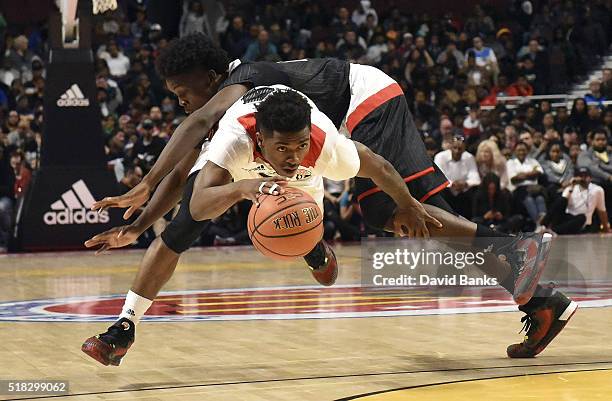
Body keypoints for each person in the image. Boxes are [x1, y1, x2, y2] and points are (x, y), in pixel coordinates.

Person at [82, 33, 571, 365]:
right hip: (332, 125)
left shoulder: (238, 83)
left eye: (181, 91)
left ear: (211, 78)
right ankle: (536, 294)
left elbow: (190, 128)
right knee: (393, 212)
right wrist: (144, 218)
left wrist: (145, 181)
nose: (179, 101)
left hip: (365, 99)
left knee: (389, 208)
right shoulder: (232, 111)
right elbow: (190, 171)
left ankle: (517, 257)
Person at [541, 167, 610, 235]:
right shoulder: (572, 188)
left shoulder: (597, 190)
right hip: (567, 217)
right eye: (581, 176)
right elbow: (562, 202)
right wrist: (571, 186)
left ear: (590, 178)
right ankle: (543, 225)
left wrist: (606, 228)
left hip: (581, 221)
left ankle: (552, 231)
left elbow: (602, 210)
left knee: (582, 217)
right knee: (561, 200)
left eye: (586, 176)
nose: (583, 178)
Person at [434, 136, 481, 219]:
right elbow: (438, 177)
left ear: (464, 149)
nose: (457, 151)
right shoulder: (440, 157)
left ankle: (471, 221)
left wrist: (465, 183)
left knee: (475, 191)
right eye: (455, 148)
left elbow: (476, 178)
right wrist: (452, 184)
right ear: (450, 147)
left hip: (463, 192)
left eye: (460, 149)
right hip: (447, 191)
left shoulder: (469, 157)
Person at [507, 141, 547, 227]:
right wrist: (530, 174)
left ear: (527, 151)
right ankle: (539, 224)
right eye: (519, 150)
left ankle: (543, 224)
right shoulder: (510, 163)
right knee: (529, 200)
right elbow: (514, 179)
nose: (521, 152)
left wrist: (522, 174)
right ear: (514, 151)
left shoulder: (533, 161)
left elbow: (539, 172)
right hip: (519, 190)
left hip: (534, 189)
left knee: (540, 198)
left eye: (523, 150)